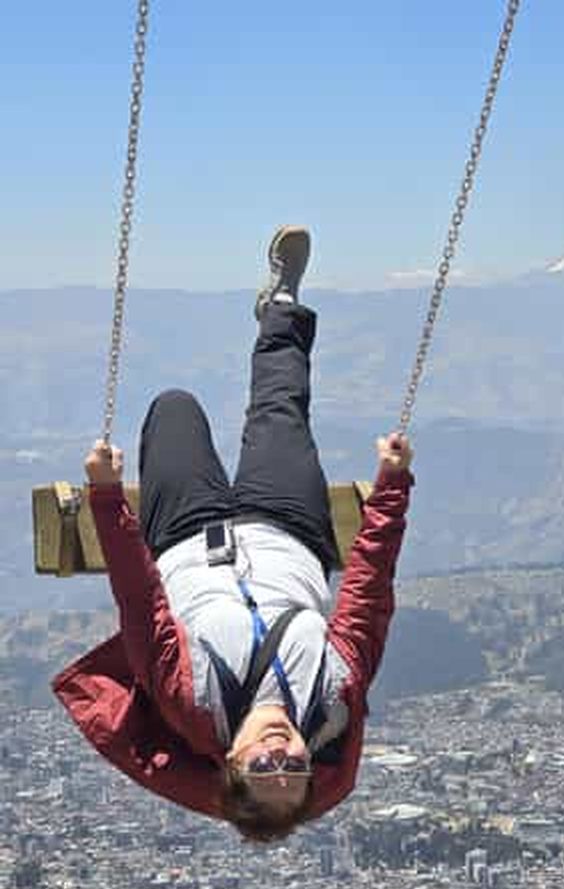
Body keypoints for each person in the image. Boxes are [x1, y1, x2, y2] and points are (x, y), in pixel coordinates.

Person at [52, 226, 414, 842]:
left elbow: (141, 601)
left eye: (263, 766)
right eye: (294, 766)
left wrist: (108, 495)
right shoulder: (333, 693)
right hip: (287, 528)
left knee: (174, 408)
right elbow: (367, 593)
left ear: (231, 764)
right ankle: (280, 306)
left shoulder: (187, 699)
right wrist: (392, 486)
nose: (281, 751)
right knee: (281, 408)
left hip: (188, 537)